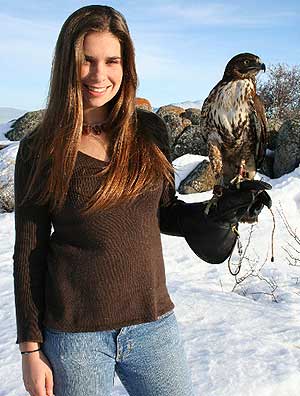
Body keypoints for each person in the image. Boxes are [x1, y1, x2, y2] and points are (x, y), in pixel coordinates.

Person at [12, 5, 272, 396]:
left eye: (111, 60)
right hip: (75, 335)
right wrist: (30, 348)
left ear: (126, 64)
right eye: (86, 60)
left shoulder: (149, 130)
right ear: (66, 63)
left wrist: (214, 215)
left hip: (154, 326)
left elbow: (163, 211)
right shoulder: (40, 148)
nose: (99, 74)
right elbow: (29, 249)